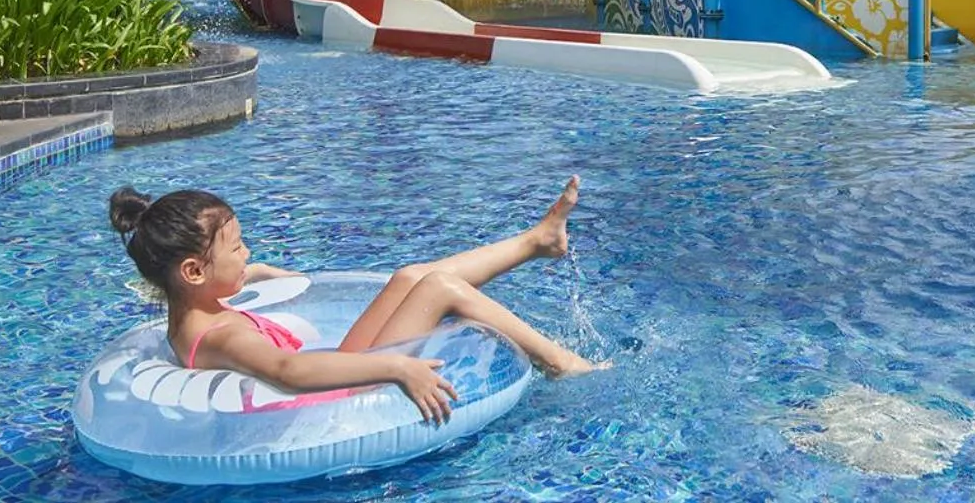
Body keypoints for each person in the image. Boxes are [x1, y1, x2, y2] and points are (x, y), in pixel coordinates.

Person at [108, 175, 604, 424]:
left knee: (408, 276)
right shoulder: (223, 336)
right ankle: (560, 361)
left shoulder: (193, 309)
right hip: (335, 399)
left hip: (336, 366)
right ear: (194, 271)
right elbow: (290, 374)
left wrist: (254, 272)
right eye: (237, 248)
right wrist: (396, 369)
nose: (249, 254)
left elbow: (234, 286)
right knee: (437, 288)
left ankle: (536, 241)